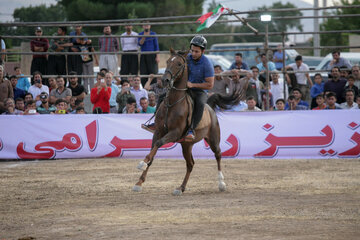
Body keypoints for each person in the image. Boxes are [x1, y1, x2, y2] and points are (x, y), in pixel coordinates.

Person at [138, 21, 160, 87]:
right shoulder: (140, 34)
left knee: (153, 72)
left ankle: (153, 87)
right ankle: (145, 88)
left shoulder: (153, 34)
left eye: (147, 25)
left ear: (150, 26)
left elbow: (156, 46)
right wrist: (144, 36)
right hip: (143, 55)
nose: (146, 26)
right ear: (143, 26)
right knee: (143, 72)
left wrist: (157, 56)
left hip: (152, 55)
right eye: (145, 25)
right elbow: (140, 44)